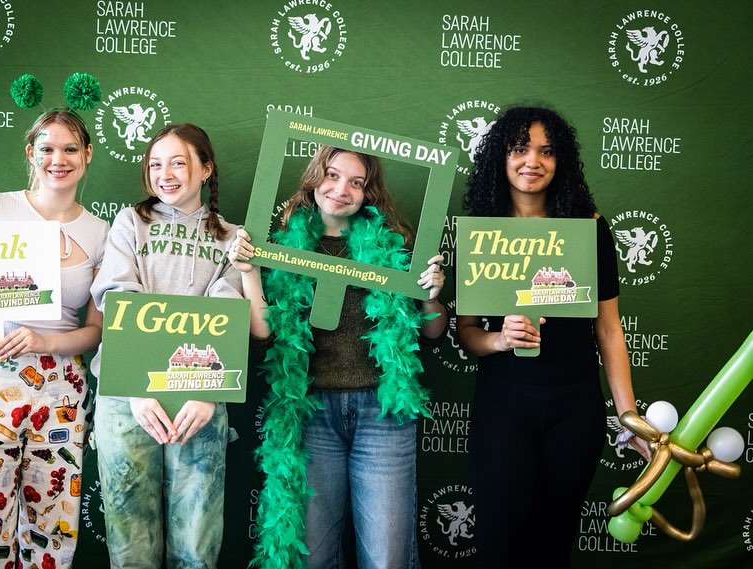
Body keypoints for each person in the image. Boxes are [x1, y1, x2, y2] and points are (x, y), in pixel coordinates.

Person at [230, 145, 447, 569]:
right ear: (315, 178)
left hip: (382, 415)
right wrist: (249, 273)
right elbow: (264, 333)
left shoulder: (398, 248)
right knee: (315, 554)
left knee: (387, 556)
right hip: (312, 415)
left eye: (356, 182)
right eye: (332, 175)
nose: (341, 189)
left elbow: (435, 331)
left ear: (369, 193)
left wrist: (431, 297)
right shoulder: (279, 247)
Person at [454, 105, 651, 569]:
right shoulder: (482, 232)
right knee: (500, 550)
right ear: (500, 158)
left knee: (552, 550)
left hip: (574, 412)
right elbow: (465, 335)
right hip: (502, 412)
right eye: (520, 149)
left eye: (547, 152)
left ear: (561, 162)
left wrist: (629, 416)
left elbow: (608, 328)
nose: (532, 162)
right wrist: (499, 340)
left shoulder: (589, 227)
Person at [89, 123, 269, 569]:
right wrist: (135, 386)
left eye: (177, 162)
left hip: (200, 398)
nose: (164, 174)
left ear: (205, 169)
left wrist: (206, 392)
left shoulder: (232, 237)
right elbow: (118, 300)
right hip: (128, 397)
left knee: (196, 546)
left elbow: (230, 316)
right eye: (155, 164)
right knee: (131, 544)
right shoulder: (130, 222)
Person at [0, 109, 109, 568]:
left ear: (88, 154)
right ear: (31, 154)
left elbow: (95, 331)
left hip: (61, 390)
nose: (59, 159)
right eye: (48, 148)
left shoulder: (100, 234)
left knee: (52, 526)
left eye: (71, 148)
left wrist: (44, 342)